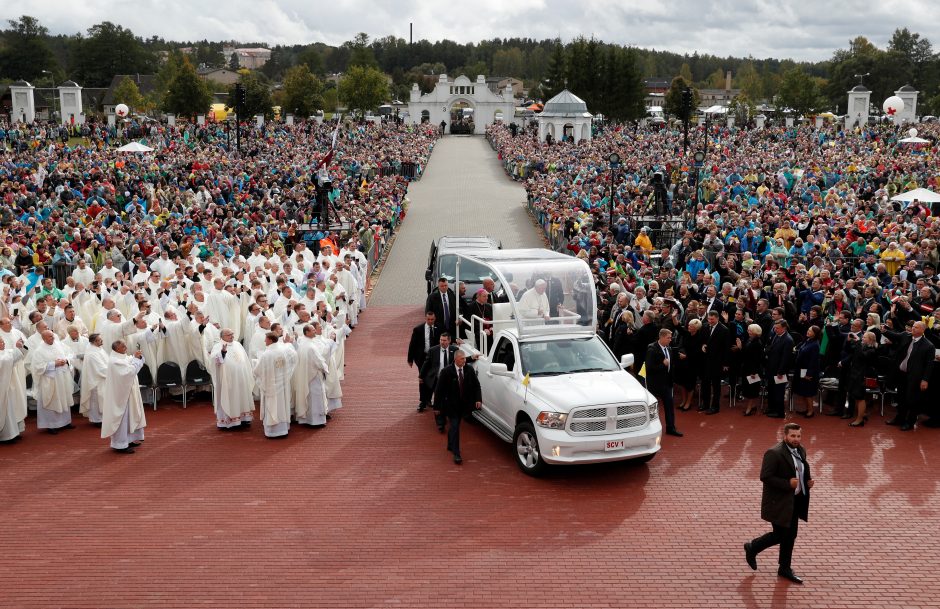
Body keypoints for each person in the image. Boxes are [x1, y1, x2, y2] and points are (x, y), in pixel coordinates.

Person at [744, 423, 814, 584]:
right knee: (781, 534)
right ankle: (752, 547)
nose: (796, 439)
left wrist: (807, 481)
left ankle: (784, 568)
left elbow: (800, 469)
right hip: (779, 502)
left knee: (791, 535)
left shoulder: (801, 450)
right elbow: (765, 477)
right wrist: (787, 484)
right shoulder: (774, 453)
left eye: (798, 436)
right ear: (785, 436)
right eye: (792, 436)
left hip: (795, 500)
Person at [433, 350, 482, 465]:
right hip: (451, 406)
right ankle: (456, 453)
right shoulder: (446, 372)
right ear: (455, 359)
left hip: (464, 406)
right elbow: (439, 391)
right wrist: (437, 407)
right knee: (455, 426)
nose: (464, 360)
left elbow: (476, 385)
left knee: (455, 426)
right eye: (462, 359)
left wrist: (478, 399)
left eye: (465, 358)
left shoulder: (469, 370)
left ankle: (450, 443)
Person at [884, 320, 934, 431]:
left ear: (922, 330)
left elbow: (929, 365)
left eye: (916, 327)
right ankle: (899, 419)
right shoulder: (906, 337)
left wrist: (925, 380)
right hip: (902, 374)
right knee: (900, 398)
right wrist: (884, 330)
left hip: (915, 377)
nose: (913, 328)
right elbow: (894, 335)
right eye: (913, 327)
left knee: (911, 400)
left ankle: (910, 422)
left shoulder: (928, 346)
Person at [100, 339, 147, 454]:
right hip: (120, 396)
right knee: (122, 418)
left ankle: (129, 439)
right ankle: (120, 444)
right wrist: (136, 359)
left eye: (125, 345)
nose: (126, 347)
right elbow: (129, 372)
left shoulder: (122, 357)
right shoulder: (114, 361)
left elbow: (131, 361)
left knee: (130, 416)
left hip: (128, 393)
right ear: (117, 349)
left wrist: (137, 357)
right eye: (123, 346)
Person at [209, 328, 256, 430]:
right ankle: (229, 422)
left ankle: (244, 419)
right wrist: (222, 352)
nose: (232, 336)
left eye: (232, 334)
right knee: (230, 398)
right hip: (228, 381)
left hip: (241, 378)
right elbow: (213, 361)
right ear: (222, 336)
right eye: (229, 335)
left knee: (242, 396)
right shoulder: (218, 346)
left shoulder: (238, 344)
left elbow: (245, 359)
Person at [31, 330, 76, 434]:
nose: (53, 338)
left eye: (52, 336)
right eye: (50, 337)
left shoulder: (59, 345)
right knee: (52, 400)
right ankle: (51, 425)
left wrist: (66, 360)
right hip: (50, 380)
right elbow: (37, 367)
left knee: (63, 398)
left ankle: (66, 422)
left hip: (62, 378)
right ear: (44, 339)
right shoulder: (39, 351)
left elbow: (70, 354)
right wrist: (53, 364)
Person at [253, 332, 297, 439]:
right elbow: (293, 357)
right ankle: (283, 429)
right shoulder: (283, 350)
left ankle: (273, 431)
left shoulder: (266, 354)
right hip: (282, 384)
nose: (264, 341)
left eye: (266, 339)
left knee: (272, 406)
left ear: (271, 340)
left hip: (270, 385)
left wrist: (254, 364)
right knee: (282, 405)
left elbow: (258, 371)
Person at [644, 329, 682, 437]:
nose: (670, 340)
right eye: (668, 338)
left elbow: (671, 365)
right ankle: (651, 429)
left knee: (669, 406)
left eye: (671, 338)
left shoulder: (669, 348)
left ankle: (671, 428)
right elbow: (649, 368)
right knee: (653, 408)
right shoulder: (652, 349)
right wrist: (663, 365)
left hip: (667, 383)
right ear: (661, 337)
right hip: (655, 384)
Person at [420, 332, 459, 432]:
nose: (442, 342)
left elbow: (459, 361)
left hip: (450, 380)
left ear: (449, 341)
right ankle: (440, 423)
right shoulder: (433, 350)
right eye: (441, 340)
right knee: (439, 401)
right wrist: (421, 376)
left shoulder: (455, 350)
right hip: (437, 379)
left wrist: (471, 358)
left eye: (444, 340)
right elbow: (426, 363)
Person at [292, 325, 329, 428]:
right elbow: (318, 361)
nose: (314, 331)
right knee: (316, 398)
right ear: (307, 332)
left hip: (306, 375)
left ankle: (307, 419)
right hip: (314, 376)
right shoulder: (311, 347)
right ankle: (316, 421)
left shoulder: (303, 345)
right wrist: (325, 369)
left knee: (309, 398)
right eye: (312, 330)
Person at [845, 331, 880, 427]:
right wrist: (849, 341)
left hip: (862, 375)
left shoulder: (872, 350)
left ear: (870, 340)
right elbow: (849, 350)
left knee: (860, 397)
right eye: (863, 337)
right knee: (856, 396)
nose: (862, 338)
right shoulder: (862, 346)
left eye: (864, 337)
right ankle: (862, 414)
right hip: (855, 374)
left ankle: (859, 420)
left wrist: (857, 342)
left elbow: (862, 356)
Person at [407, 311, 439, 411]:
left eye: (432, 320)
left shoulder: (439, 328)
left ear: (435, 319)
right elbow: (412, 344)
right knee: (423, 378)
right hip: (422, 358)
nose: (430, 321)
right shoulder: (418, 329)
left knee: (433, 378)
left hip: (434, 358)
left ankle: (429, 399)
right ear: (426, 319)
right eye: (428, 319)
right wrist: (410, 359)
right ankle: (423, 401)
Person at [700, 310, 729, 415]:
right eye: (709, 319)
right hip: (705, 361)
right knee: (705, 383)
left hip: (717, 362)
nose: (710, 321)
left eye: (712, 319)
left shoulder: (724, 330)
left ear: (717, 318)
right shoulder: (704, 327)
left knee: (716, 386)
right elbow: (702, 340)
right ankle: (705, 404)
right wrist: (703, 345)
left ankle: (715, 407)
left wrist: (725, 363)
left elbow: (726, 348)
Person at [764, 320, 794, 418]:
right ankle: (771, 408)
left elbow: (786, 358)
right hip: (772, 369)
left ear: (784, 328)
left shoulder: (788, 340)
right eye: (775, 328)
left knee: (779, 392)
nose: (775, 330)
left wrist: (780, 372)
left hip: (779, 371)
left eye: (777, 328)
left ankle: (780, 412)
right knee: (772, 390)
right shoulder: (777, 335)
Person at [79, 333, 109, 426]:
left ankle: (103, 418)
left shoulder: (99, 349)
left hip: (102, 380)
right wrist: (112, 371)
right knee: (96, 401)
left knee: (102, 400)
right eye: (100, 339)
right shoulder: (92, 353)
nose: (102, 341)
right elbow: (100, 368)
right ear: (94, 341)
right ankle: (96, 420)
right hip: (96, 381)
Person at [792, 326, 822, 418]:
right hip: (802, 370)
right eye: (808, 330)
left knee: (808, 393)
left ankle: (810, 411)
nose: (808, 331)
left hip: (809, 372)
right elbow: (800, 348)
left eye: (810, 331)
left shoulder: (815, 345)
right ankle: (807, 409)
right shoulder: (807, 340)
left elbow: (813, 361)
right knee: (803, 392)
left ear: (815, 333)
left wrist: (809, 374)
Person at [0, 337, 25, 443]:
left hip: (9, 386)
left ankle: (15, 432)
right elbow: (5, 361)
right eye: (1, 342)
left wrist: (19, 347)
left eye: (3, 341)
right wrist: (16, 349)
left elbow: (16, 356)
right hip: (2, 388)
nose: (3, 343)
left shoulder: (5, 352)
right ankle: (7, 435)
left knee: (13, 407)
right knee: (6, 409)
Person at [739, 324, 765, 416]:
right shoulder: (750, 340)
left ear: (755, 331)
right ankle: (752, 406)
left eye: (749, 330)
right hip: (747, 368)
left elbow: (758, 359)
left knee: (752, 389)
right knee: (748, 388)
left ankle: (750, 408)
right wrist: (740, 348)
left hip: (753, 370)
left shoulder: (757, 343)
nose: (748, 331)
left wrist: (754, 372)